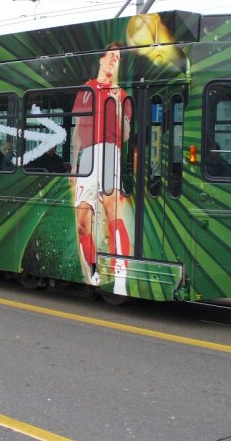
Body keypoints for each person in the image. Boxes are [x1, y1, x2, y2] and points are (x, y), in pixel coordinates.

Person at [70, 41, 133, 290]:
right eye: (111, 55)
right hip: (87, 155)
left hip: (109, 151)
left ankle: (121, 278)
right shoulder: (86, 90)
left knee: (111, 206)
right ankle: (93, 272)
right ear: (101, 59)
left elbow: (125, 135)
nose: (114, 60)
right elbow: (77, 130)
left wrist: (116, 106)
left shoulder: (122, 95)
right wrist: (74, 166)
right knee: (82, 222)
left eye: (118, 58)